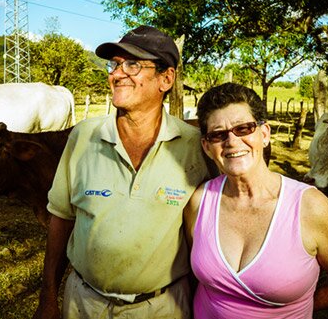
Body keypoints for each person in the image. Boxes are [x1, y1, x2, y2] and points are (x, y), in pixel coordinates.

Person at [33, 25, 215, 319]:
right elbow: (61, 220)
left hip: (163, 307)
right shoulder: (83, 138)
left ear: (166, 79)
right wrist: (47, 296)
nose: (116, 74)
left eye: (132, 64)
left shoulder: (194, 147)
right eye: (115, 65)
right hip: (83, 303)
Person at [184, 82, 328, 318]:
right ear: (207, 146)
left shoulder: (309, 207)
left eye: (243, 129)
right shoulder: (200, 201)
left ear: (264, 134)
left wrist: (298, 308)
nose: (231, 141)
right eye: (218, 135)